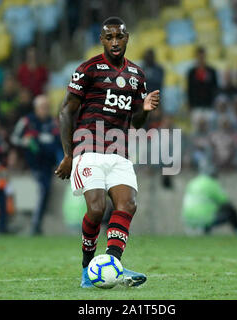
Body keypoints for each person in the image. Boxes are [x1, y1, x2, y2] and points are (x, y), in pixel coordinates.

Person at [55, 17, 160, 288]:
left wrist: (145, 109)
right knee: (97, 208)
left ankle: (113, 264)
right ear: (102, 40)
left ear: (127, 39)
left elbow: (136, 121)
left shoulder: (137, 75)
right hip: (88, 148)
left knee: (128, 204)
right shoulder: (88, 69)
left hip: (119, 151)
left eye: (120, 37)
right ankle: (86, 269)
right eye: (109, 37)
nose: (115, 42)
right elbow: (67, 110)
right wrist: (68, 154)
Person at [11, 95, 63, 235]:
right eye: (42, 107)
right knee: (43, 188)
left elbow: (59, 142)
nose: (45, 110)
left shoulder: (53, 122)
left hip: (48, 164)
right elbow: (14, 138)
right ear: (36, 108)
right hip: (33, 163)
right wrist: (25, 142)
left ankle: (37, 223)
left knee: (45, 190)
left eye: (47, 107)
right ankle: (35, 224)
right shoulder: (27, 121)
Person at [182, 165, 237, 236]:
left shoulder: (193, 182)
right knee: (230, 210)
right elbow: (225, 201)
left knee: (207, 209)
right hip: (204, 218)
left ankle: (202, 230)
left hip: (187, 218)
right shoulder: (211, 183)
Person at [187, 47, 218, 123]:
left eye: (202, 56)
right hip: (196, 106)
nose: (201, 58)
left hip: (209, 106)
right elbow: (189, 89)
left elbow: (215, 88)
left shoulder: (212, 71)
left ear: (205, 57)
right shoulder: (191, 73)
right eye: (199, 57)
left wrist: (215, 103)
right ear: (196, 57)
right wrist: (190, 105)